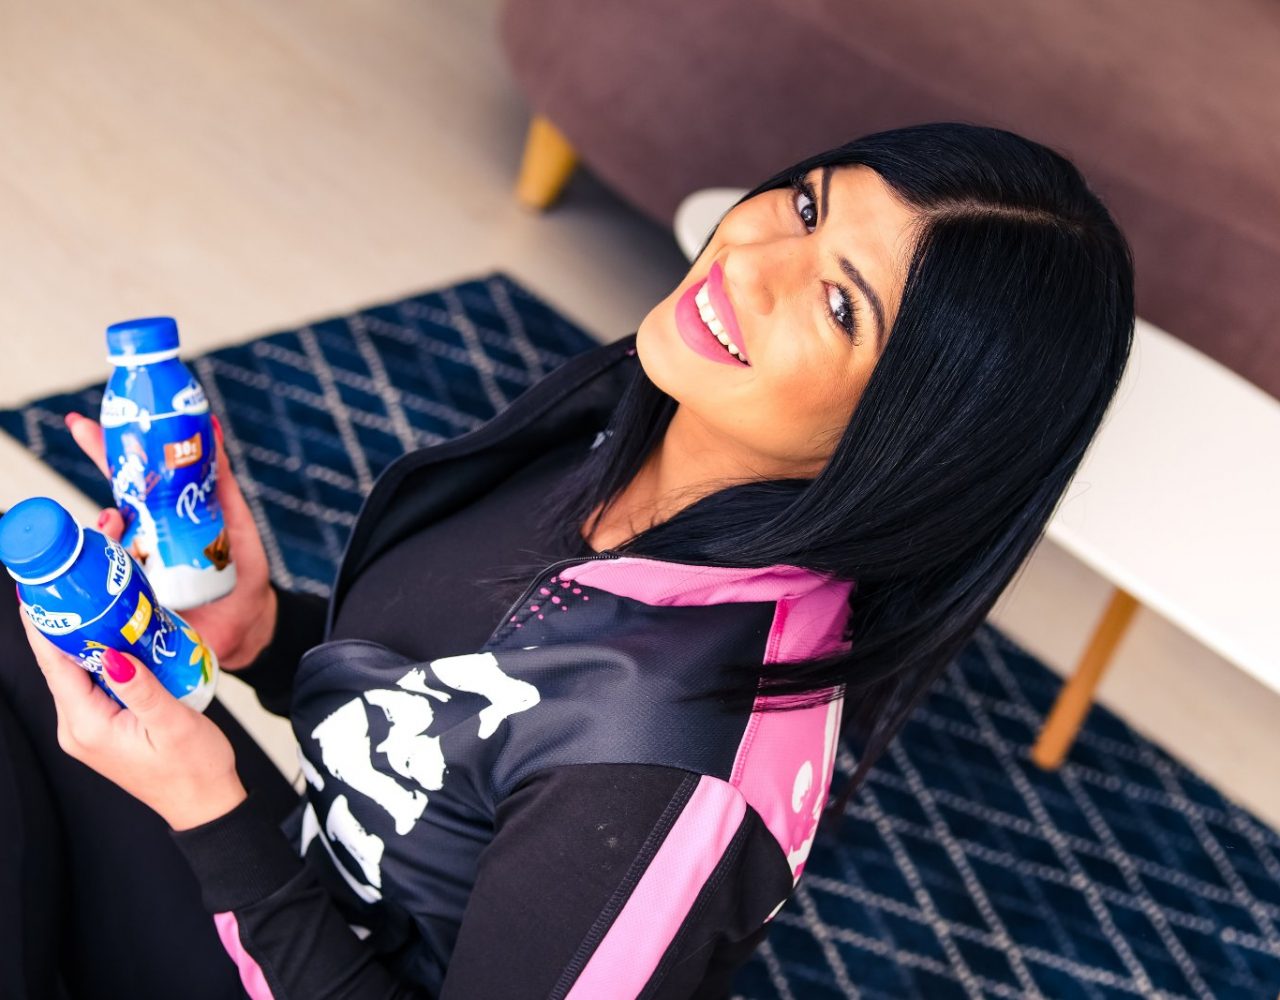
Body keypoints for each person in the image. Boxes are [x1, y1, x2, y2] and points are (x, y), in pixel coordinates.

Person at [2, 121, 1135, 998]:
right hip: (310, 882)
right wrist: (262, 637)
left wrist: (210, 812)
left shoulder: (671, 762)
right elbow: (460, 723)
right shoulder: (630, 420)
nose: (753, 258)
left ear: (918, 444)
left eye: (840, 303)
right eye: (805, 204)